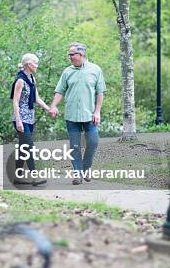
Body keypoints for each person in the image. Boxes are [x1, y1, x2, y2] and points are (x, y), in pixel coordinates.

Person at [50, 42, 106, 185]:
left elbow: (100, 92)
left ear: (81, 54)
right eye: (69, 54)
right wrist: (54, 105)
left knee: (93, 143)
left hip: (90, 115)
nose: (70, 57)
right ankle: (77, 174)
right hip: (72, 116)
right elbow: (60, 91)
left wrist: (97, 111)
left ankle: (85, 168)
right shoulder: (67, 72)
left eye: (72, 54)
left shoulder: (95, 70)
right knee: (74, 146)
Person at [10, 53, 51, 186]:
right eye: (36, 63)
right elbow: (15, 102)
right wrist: (18, 121)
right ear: (28, 64)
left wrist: (49, 109)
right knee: (29, 147)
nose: (37, 66)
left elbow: (37, 98)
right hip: (21, 118)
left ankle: (18, 177)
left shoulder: (32, 78)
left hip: (29, 118)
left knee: (23, 148)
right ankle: (35, 177)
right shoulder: (20, 80)